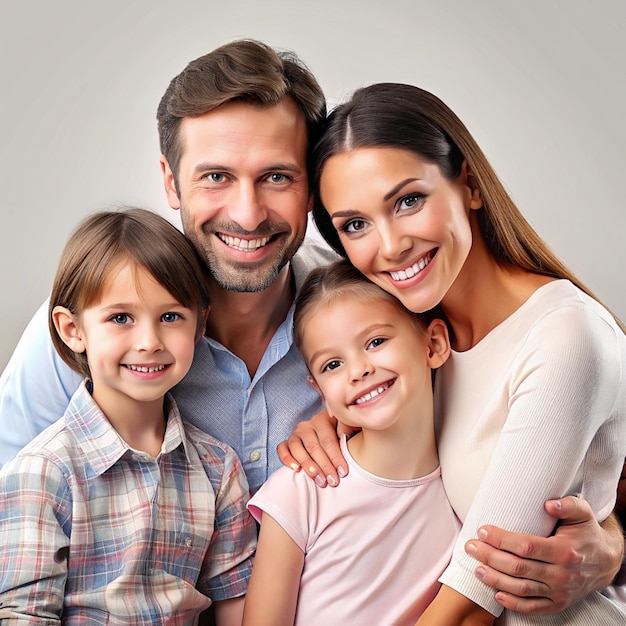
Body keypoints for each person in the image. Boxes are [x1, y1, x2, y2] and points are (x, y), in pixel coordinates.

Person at [0, 39, 621, 614]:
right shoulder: (95, 336)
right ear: (171, 182)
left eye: (277, 177)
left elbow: (566, 457)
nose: (247, 213)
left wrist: (612, 548)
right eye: (215, 176)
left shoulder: (379, 311)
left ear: (312, 193)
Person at [279, 82, 626, 624]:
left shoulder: (564, 335)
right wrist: (334, 420)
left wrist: (610, 544)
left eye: (408, 201)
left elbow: (473, 599)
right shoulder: (412, 338)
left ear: (469, 184)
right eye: (355, 225)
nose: (391, 245)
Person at [0, 207, 256, 625]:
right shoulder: (41, 474)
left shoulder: (217, 469)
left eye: (170, 317)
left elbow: (236, 608)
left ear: (199, 325)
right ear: (72, 330)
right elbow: (23, 616)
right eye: (121, 318)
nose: (149, 341)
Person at [243, 259, 462, 626]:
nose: (358, 370)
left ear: (434, 344)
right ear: (320, 392)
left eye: (375, 342)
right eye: (332, 365)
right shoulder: (299, 490)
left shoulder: (465, 487)